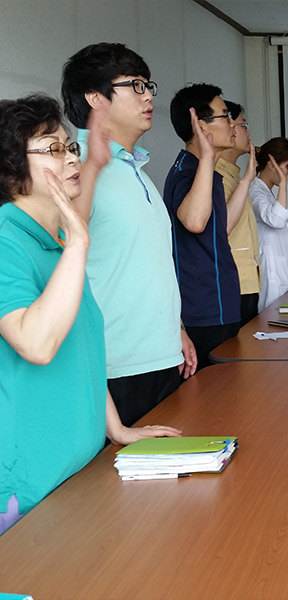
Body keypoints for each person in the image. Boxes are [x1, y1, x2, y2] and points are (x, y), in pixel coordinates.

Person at [0, 94, 180, 535]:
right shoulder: (8, 241)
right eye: (52, 148)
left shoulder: (58, 241)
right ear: (10, 169)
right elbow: (38, 345)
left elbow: (79, 347)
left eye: (69, 146)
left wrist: (116, 428)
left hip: (74, 471)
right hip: (26, 486)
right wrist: (79, 243)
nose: (69, 158)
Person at [60, 42, 197, 427]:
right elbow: (66, 242)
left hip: (160, 356)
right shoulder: (74, 166)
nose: (147, 96)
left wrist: (177, 330)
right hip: (114, 366)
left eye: (147, 86)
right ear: (95, 98)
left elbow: (147, 261)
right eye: (134, 85)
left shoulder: (135, 167)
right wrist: (93, 167)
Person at [163, 83, 255, 369]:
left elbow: (220, 227)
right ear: (199, 125)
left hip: (220, 304)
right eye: (225, 116)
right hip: (201, 309)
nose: (233, 125)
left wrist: (246, 180)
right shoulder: (189, 171)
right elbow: (194, 221)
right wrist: (206, 157)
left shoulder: (205, 171)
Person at [250, 137, 288, 311]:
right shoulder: (254, 192)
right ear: (271, 164)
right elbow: (276, 220)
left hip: (279, 268)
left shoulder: (266, 193)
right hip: (270, 271)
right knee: (271, 320)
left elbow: (279, 238)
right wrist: (283, 185)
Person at [216, 101, 261, 324]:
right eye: (244, 125)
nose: (248, 132)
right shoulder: (216, 176)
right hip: (234, 282)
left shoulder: (233, 174)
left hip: (247, 280)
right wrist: (247, 180)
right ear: (229, 127)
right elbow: (222, 227)